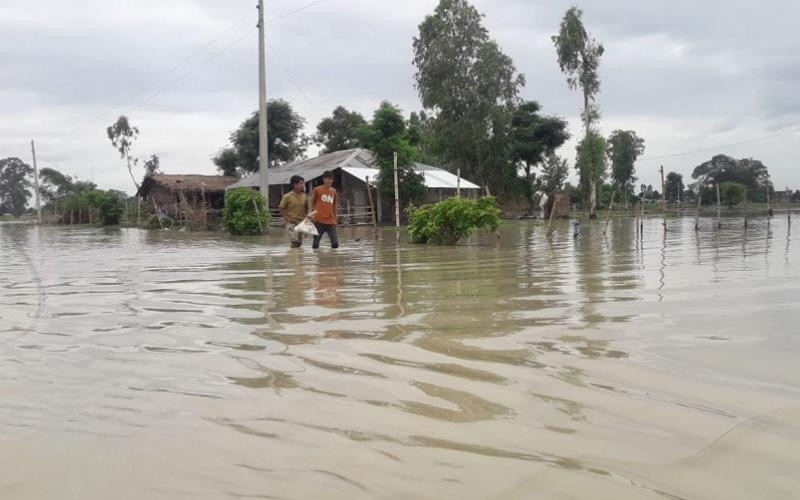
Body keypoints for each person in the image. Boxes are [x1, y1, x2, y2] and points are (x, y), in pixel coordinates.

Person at [310, 170, 339, 249]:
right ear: (324, 179)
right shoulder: (317, 190)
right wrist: (311, 215)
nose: (330, 181)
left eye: (332, 179)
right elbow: (312, 203)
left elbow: (334, 205)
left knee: (335, 244)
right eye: (328, 179)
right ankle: (317, 260)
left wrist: (336, 219)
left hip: (331, 221)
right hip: (318, 221)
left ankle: (334, 259)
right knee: (316, 244)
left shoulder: (334, 191)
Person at [278, 175, 308, 248]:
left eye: (303, 183)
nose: (303, 185)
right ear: (295, 184)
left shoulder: (304, 196)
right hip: (292, 223)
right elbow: (281, 208)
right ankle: (292, 258)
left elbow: (307, 209)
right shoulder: (287, 196)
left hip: (301, 222)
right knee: (295, 242)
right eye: (301, 183)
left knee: (299, 243)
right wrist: (287, 219)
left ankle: (296, 257)